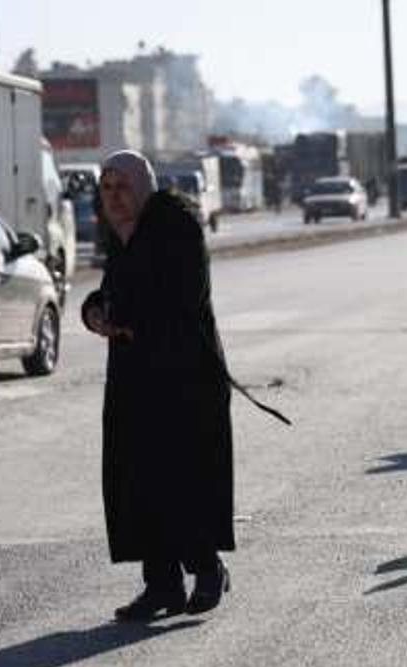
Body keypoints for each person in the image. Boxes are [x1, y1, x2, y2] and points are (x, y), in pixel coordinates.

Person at [82, 150, 234, 622]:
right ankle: (161, 585)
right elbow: (113, 289)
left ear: (143, 187)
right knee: (140, 481)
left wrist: (127, 321)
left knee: (182, 478)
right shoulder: (122, 237)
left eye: (122, 186)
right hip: (135, 381)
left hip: (185, 377)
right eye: (106, 188)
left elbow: (184, 297)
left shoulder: (176, 229)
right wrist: (95, 311)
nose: (114, 197)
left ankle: (207, 571)